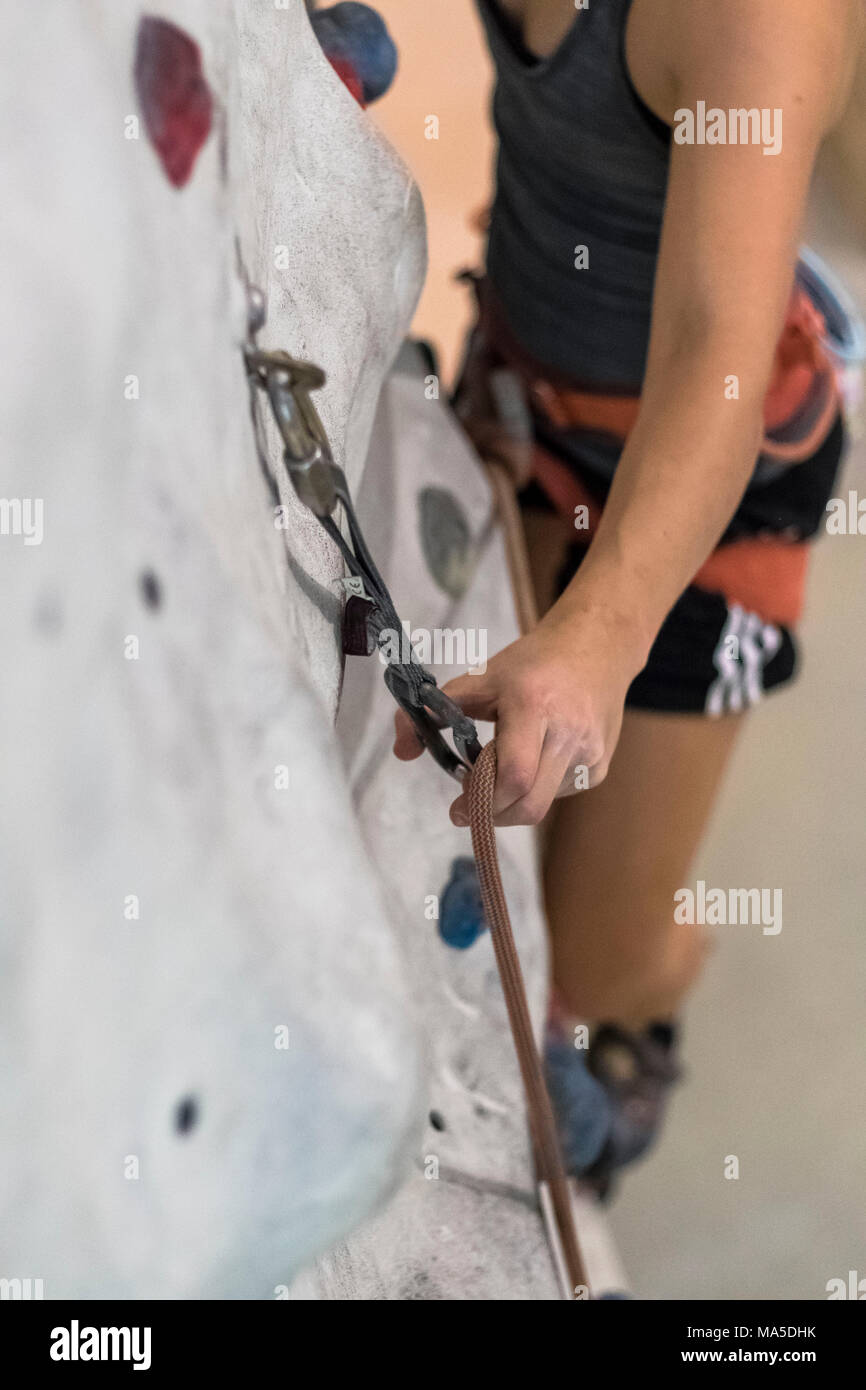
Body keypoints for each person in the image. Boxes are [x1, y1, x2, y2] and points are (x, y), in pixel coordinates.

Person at [394, 0, 862, 1190]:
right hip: (538, 385)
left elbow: (716, 350)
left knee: (591, 964)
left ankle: (651, 997)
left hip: (718, 469)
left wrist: (598, 635)